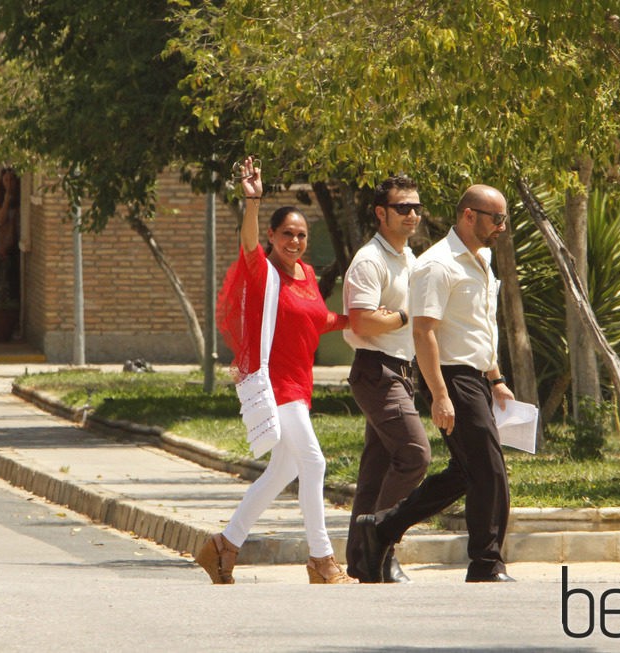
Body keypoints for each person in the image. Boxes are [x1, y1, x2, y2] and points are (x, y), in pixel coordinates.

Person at [195, 156, 353, 585]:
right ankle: (322, 561)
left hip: (301, 383)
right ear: (272, 235)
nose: (296, 241)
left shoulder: (306, 273)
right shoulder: (262, 271)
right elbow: (247, 244)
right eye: (288, 234)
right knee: (315, 462)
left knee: (283, 470)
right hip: (275, 382)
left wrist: (358, 320)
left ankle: (224, 546)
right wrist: (253, 201)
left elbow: (318, 320)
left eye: (302, 235)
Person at [356, 184, 516, 583]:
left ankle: (381, 528)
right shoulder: (437, 264)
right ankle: (486, 563)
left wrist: (496, 378)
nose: (502, 225)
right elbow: (424, 331)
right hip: (453, 378)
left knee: (466, 473)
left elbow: (480, 326)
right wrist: (440, 395)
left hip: (478, 376)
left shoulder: (482, 259)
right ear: (468, 216)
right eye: (496, 218)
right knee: (491, 470)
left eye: (504, 217)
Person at [342, 175, 430, 583]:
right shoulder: (370, 260)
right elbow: (362, 320)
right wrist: (407, 315)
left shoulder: (408, 259)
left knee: (376, 470)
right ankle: (384, 543)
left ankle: (363, 561)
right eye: (402, 208)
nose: (412, 214)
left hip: (399, 368)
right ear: (381, 213)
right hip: (377, 369)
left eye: (415, 207)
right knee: (414, 455)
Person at [0, 167, 21, 301]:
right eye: (6, 180)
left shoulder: (21, 199)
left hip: (19, 242)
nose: (9, 183)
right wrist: (6, 200)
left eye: (12, 179)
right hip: (8, 243)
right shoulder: (1, 198)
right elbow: (0, 219)